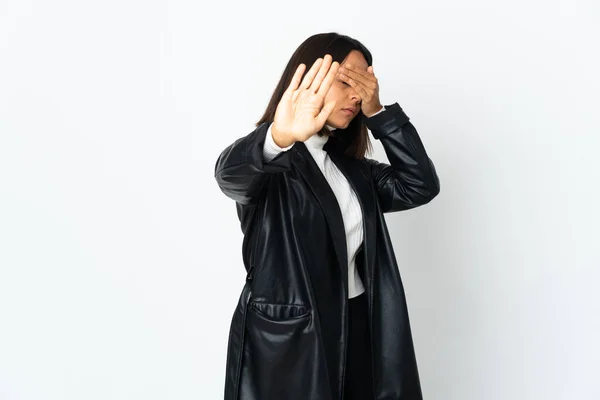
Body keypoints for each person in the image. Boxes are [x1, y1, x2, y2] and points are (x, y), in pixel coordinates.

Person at [214, 32, 440, 400]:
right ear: (307, 80)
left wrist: (380, 114)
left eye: (365, 82)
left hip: (360, 326)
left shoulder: (352, 169)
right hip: (293, 341)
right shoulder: (272, 161)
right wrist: (278, 136)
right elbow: (229, 175)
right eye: (347, 79)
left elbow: (419, 184)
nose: (357, 94)